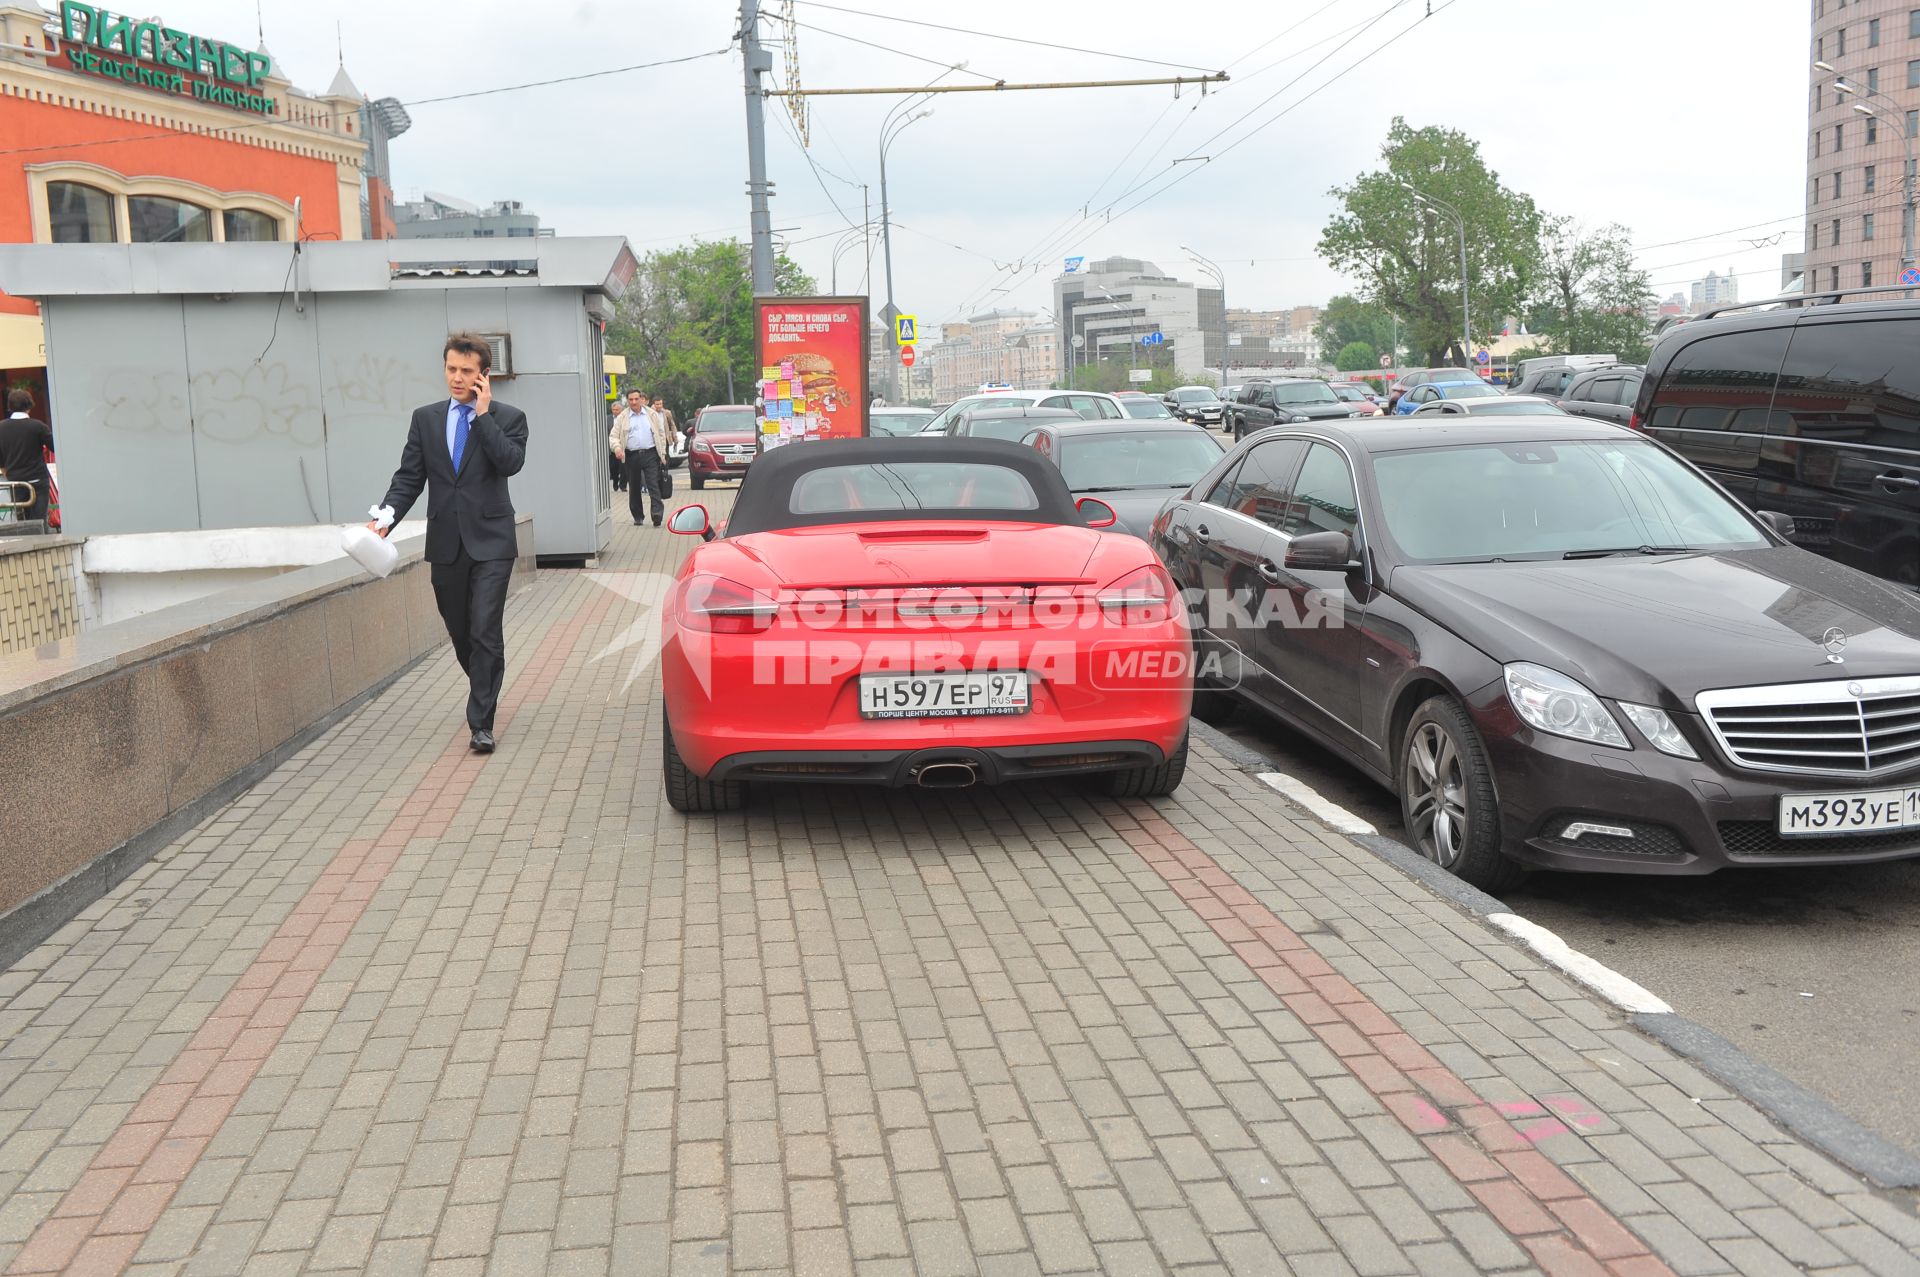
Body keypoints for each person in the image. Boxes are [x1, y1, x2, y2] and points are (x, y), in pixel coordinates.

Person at [369, 333, 528, 754]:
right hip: (446, 542)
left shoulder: (508, 417)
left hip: (493, 541)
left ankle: (481, 723)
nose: (457, 378)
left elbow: (510, 462)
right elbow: (409, 477)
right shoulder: (425, 418)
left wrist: (482, 415)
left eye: (466, 371)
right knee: (461, 631)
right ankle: (484, 683)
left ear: (483, 376)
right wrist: (384, 519)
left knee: (485, 630)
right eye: (451, 369)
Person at [610, 388, 677, 526]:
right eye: (631, 400)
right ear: (627, 401)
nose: (634, 402)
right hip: (631, 455)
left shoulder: (651, 414)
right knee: (634, 487)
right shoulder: (623, 417)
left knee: (653, 484)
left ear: (641, 399)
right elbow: (613, 437)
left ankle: (657, 514)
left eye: (636, 399)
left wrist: (662, 454)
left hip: (651, 454)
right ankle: (638, 516)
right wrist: (617, 448)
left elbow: (660, 434)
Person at [0, 389, 54, 527]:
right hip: (37, 480)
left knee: (23, 524)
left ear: (10, 406)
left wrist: (6, 471)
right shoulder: (38, 427)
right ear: (29, 405)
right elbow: (55, 447)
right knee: (40, 523)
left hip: (15, 482)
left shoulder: (1, 428)